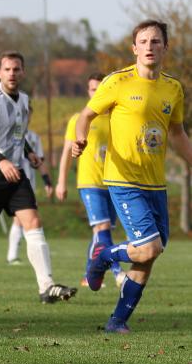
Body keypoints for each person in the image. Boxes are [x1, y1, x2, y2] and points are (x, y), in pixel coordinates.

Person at [74, 20, 192, 334]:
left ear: (165, 47)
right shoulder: (117, 82)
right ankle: (103, 255)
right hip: (123, 178)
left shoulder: (173, 88)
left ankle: (117, 321)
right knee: (149, 247)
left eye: (156, 41)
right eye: (144, 41)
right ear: (134, 48)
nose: (150, 47)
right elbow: (86, 115)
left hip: (156, 182)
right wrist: (79, 138)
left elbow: (177, 133)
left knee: (150, 253)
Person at [0, 52, 76, 303]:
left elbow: (17, 137)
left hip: (15, 173)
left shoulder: (24, 100)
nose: (12, 73)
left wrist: (29, 153)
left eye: (16, 69)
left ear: (23, 73)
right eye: (7, 69)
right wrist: (2, 161)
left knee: (33, 222)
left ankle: (47, 287)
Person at [55, 73, 124, 287]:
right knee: (102, 228)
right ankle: (118, 272)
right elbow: (67, 151)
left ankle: (88, 275)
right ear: (88, 91)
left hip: (112, 183)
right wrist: (61, 181)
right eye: (92, 89)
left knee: (100, 233)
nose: (96, 92)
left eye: (99, 89)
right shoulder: (80, 119)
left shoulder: (116, 118)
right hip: (89, 183)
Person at [6, 104, 54, 265]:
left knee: (25, 220)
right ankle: (13, 255)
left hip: (28, 183)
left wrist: (47, 181)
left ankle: (17, 254)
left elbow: (39, 162)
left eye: (29, 115)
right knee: (21, 219)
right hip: (10, 181)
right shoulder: (8, 135)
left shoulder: (33, 137)